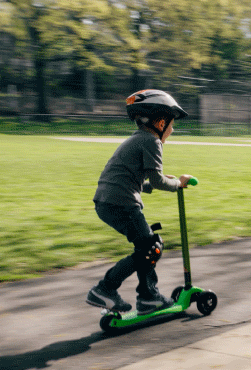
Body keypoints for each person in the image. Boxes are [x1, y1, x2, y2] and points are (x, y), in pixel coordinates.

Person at [86, 89, 194, 314]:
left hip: (108, 201)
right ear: (161, 121)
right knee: (151, 248)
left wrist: (153, 184)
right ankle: (108, 289)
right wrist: (179, 184)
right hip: (121, 203)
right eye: (171, 125)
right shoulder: (152, 141)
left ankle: (147, 297)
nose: (172, 131)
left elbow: (131, 179)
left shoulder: (137, 139)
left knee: (147, 246)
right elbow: (157, 180)